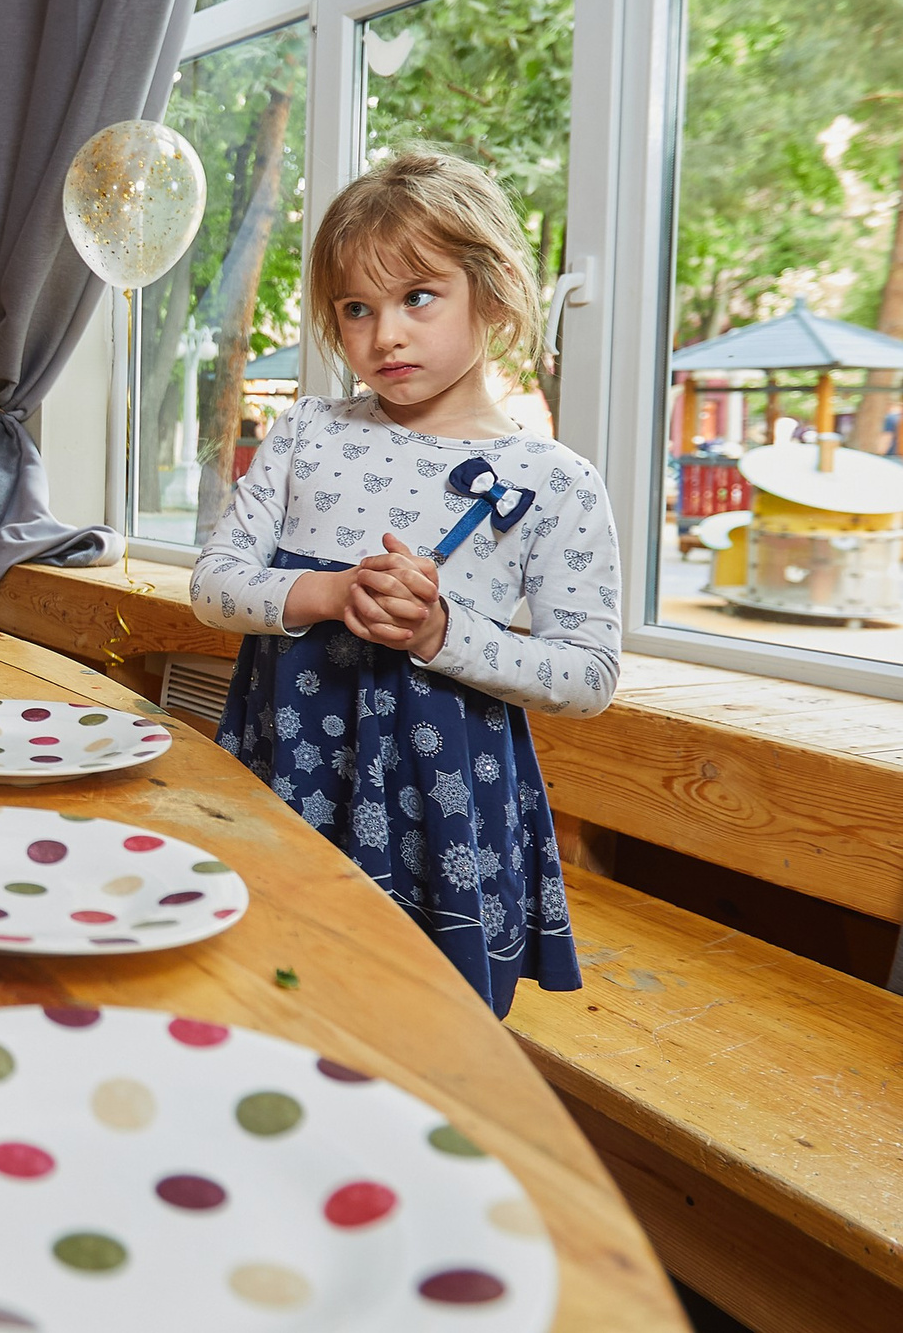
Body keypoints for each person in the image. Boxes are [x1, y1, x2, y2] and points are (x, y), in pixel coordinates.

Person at [190, 151, 618, 1017]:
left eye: (418, 296)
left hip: (445, 803)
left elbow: (589, 675)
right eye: (357, 308)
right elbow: (213, 585)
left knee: (433, 1027)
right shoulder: (307, 431)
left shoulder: (553, 477)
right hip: (290, 771)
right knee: (267, 996)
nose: (385, 334)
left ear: (491, 293)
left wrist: (438, 634)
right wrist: (330, 592)